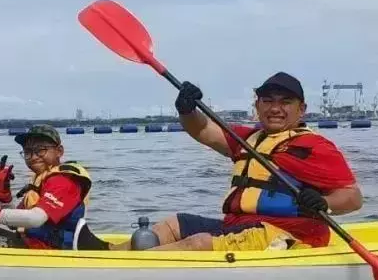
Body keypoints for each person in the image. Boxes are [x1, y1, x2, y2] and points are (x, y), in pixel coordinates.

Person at [125, 71, 362, 252]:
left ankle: (132, 271)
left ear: (302, 109)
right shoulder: (247, 139)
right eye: (267, 101)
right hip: (240, 226)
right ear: (257, 106)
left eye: (285, 102)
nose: (275, 108)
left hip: (288, 235)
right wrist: (187, 111)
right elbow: (203, 130)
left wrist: (324, 202)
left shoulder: (314, 147)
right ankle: (108, 252)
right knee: (171, 226)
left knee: (199, 243)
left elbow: (353, 198)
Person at [0, 124, 111, 251]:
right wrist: (5, 196)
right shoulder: (40, 180)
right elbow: (16, 223)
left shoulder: (64, 181)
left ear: (59, 151)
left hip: (54, 250)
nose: (33, 157)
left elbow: (35, 219)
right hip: (34, 242)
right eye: (28, 152)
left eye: (40, 150)